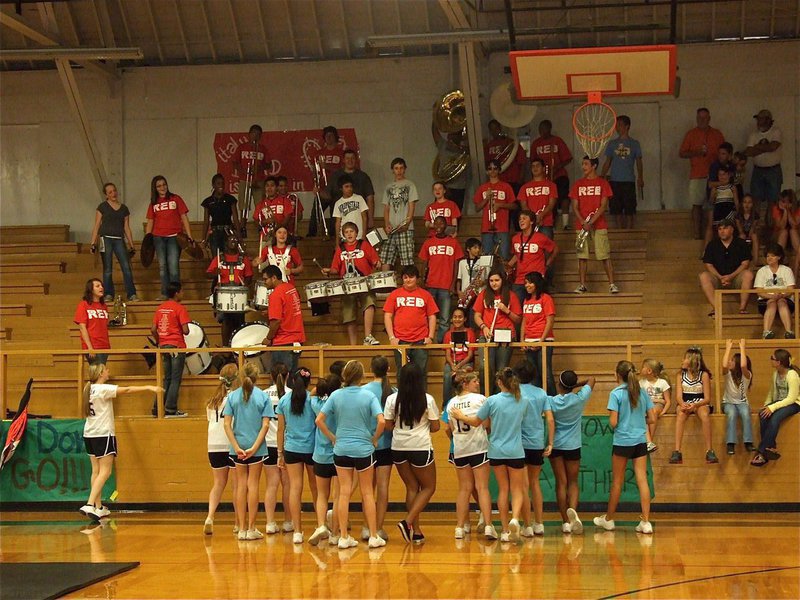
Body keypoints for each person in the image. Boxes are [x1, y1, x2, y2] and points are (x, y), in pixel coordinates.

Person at [316, 360, 387, 549]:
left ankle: (343, 536)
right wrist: (374, 438)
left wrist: (333, 437)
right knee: (367, 492)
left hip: (341, 449)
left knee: (344, 493)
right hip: (363, 449)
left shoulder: (336, 395)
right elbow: (381, 421)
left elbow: (319, 420)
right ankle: (373, 535)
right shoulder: (368, 395)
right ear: (362, 376)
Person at [452, 367, 527, 542]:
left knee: (503, 489)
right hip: (516, 449)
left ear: (500, 383)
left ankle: (505, 530)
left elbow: (476, 422)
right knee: (517, 489)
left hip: (496, 450)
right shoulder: (523, 401)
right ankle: (515, 518)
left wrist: (460, 416)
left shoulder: (492, 401)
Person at [79, 363, 161, 520]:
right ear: (101, 373)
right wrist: (149, 387)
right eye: (106, 369)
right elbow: (127, 390)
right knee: (106, 471)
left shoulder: (88, 389)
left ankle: (98, 507)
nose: (109, 371)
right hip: (103, 433)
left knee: (95, 471)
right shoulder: (102, 389)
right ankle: (90, 504)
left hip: (89, 433)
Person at [592, 361, 655, 534]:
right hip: (640, 441)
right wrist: (639, 422)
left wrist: (620, 422)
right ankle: (646, 521)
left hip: (622, 442)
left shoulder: (616, 394)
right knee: (642, 479)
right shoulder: (641, 393)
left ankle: (609, 519)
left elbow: (613, 422)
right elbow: (652, 418)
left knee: (617, 482)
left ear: (617, 375)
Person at [384, 362, 440, 544]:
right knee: (429, 487)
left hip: (398, 447)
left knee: (411, 487)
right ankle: (408, 522)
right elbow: (436, 427)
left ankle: (415, 532)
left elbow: (387, 425)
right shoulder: (427, 399)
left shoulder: (392, 399)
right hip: (420, 447)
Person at [223, 362, 274, 540]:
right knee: (253, 485)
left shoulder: (232, 397)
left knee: (240, 485)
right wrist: (255, 447)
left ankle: (241, 527)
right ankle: (251, 527)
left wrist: (236, 446)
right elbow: (266, 425)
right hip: (256, 447)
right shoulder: (263, 397)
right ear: (257, 376)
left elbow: (227, 424)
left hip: (237, 446)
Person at [445, 369, 493, 540]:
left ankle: (459, 527)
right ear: (465, 383)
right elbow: (487, 424)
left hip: (460, 448)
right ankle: (488, 525)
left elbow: (448, 428)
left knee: (464, 489)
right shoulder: (480, 399)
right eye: (475, 381)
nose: (478, 384)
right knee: (482, 488)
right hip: (478, 447)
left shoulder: (451, 404)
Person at [549, 370, 596, 534]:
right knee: (573, 482)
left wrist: (567, 386)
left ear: (559, 384)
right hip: (573, 445)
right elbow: (591, 378)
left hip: (555, 445)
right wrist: (574, 385)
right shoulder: (579, 399)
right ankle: (573, 514)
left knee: (561, 483)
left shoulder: (551, 401)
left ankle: (565, 522)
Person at [322, 222, 381, 345]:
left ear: (356, 232)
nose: (349, 234)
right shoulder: (340, 248)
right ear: (343, 234)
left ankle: (368, 337)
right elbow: (335, 269)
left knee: (369, 303)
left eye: (351, 231)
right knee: (349, 313)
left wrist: (377, 263)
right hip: (347, 286)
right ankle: (353, 344)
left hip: (364, 283)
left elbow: (375, 260)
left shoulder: (364, 245)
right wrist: (328, 270)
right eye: (346, 232)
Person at [276, 367, 318, 545]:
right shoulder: (312, 400)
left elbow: (280, 429)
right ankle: (320, 525)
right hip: (311, 448)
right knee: (317, 488)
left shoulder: (284, 401)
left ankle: (297, 531)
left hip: (291, 449)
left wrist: (280, 453)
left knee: (295, 488)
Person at [514, 361, 554, 536]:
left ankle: (527, 525)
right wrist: (550, 442)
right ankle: (539, 523)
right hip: (537, 442)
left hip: (518, 443)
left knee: (523, 485)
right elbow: (550, 419)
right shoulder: (541, 393)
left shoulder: (514, 393)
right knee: (535, 483)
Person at [570, 157, 618, 294]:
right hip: (581, 226)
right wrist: (583, 222)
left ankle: (612, 284)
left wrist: (590, 222)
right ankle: (582, 285)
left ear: (594, 166)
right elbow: (575, 206)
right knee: (582, 256)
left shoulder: (603, 183)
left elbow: (603, 206)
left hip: (599, 224)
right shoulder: (577, 184)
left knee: (604, 254)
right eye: (582, 163)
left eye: (586, 164)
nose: (583, 166)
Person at [361, 356, 396, 541]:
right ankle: (379, 527)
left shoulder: (363, 391)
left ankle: (368, 526)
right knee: (383, 488)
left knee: (368, 489)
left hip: (367, 444)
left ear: (371, 369)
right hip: (386, 445)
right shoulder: (393, 391)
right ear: (388, 369)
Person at [679, 108, 725, 240]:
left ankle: (711, 234)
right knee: (697, 205)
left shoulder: (717, 134)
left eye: (704, 118)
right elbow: (682, 153)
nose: (702, 120)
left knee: (713, 205)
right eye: (699, 118)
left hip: (715, 176)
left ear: (709, 119)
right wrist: (697, 152)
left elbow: (725, 152)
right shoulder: (691, 134)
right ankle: (697, 234)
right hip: (697, 174)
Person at [473, 269, 522, 393]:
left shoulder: (511, 295)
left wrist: (506, 310)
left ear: (502, 281)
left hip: (505, 335)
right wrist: (484, 327)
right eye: (491, 281)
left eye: (497, 280)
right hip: (487, 334)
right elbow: (477, 316)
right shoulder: (483, 294)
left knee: (501, 370)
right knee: (485, 367)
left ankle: (499, 397)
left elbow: (518, 319)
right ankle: (486, 396)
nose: (494, 283)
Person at [204, 363, 239, 535]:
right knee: (236, 485)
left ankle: (210, 517)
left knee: (218, 484)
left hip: (213, 445)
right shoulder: (236, 399)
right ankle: (238, 523)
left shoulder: (212, 401)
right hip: (231, 444)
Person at [383, 265, 438, 374]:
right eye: (405, 277)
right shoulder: (394, 295)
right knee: (402, 373)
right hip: (400, 340)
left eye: (411, 277)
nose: (408, 280)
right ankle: (402, 392)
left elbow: (432, 317)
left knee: (420, 373)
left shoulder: (426, 295)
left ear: (417, 279)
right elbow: (387, 316)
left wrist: (430, 336)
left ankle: (421, 392)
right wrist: (391, 337)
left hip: (421, 341)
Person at [145, 175, 193, 300]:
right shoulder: (153, 203)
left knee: (173, 266)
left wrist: (189, 235)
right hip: (158, 237)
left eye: (164, 184)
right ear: (155, 188)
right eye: (159, 186)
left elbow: (184, 217)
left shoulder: (175, 198)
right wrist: (147, 240)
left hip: (174, 236)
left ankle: (176, 294)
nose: (162, 187)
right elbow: (150, 221)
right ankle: (165, 294)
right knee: (162, 267)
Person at [308, 374, 342, 546]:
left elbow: (311, 394)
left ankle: (321, 525)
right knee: (337, 496)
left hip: (320, 455)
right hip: (337, 455)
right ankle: (335, 533)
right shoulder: (341, 405)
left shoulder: (317, 404)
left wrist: (321, 387)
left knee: (322, 494)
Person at [89, 182, 138, 302]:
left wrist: (131, 244)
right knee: (107, 268)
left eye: (114, 191)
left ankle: (131, 294)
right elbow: (96, 225)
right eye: (110, 192)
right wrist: (93, 243)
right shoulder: (102, 207)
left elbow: (126, 227)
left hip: (119, 239)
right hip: (105, 238)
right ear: (106, 195)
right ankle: (108, 294)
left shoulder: (124, 208)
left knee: (126, 267)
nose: (113, 193)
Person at [670, 346, 719, 464]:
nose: (682, 361)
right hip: (685, 402)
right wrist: (683, 404)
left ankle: (709, 450)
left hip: (700, 401)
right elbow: (678, 396)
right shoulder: (680, 375)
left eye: (685, 358)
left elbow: (707, 398)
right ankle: (677, 451)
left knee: (704, 415)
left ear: (692, 360)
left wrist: (695, 405)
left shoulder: (704, 375)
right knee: (680, 415)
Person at [751, 348, 800, 466]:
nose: (770, 360)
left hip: (794, 403)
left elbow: (791, 398)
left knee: (775, 418)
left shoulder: (792, 375)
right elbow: (772, 393)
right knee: (763, 414)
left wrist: (772, 408)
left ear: (779, 362)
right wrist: (767, 406)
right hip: (780, 402)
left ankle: (761, 451)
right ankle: (770, 448)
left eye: (772, 358)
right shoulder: (775, 374)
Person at [419, 216, 464, 342]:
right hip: (431, 284)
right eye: (436, 223)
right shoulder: (428, 242)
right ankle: (427, 339)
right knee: (429, 315)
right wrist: (423, 280)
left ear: (446, 226)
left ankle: (441, 342)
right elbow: (424, 263)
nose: (438, 225)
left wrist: (453, 284)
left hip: (446, 285)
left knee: (444, 318)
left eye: (441, 223)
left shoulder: (453, 242)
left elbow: (456, 265)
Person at [150, 282, 190, 418]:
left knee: (166, 378)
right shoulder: (180, 308)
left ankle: (157, 408)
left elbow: (153, 329)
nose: (183, 294)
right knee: (175, 379)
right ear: (177, 293)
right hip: (177, 346)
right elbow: (186, 331)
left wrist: (159, 341)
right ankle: (170, 409)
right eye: (182, 291)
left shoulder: (160, 308)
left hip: (163, 346)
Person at [699, 219, 754, 317]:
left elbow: (745, 263)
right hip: (718, 278)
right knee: (704, 276)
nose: (722, 231)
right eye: (720, 229)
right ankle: (716, 308)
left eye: (725, 228)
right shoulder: (712, 244)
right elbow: (708, 264)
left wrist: (731, 276)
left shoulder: (741, 243)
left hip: (736, 277)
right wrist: (720, 277)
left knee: (748, 274)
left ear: (732, 230)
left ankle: (742, 308)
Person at [206, 233, 253, 346]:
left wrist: (244, 286)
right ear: (226, 243)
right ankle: (226, 347)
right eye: (231, 240)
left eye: (235, 240)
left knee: (239, 321)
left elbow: (249, 276)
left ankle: (239, 347)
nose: (233, 241)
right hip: (223, 293)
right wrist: (214, 273)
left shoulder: (243, 259)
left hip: (239, 293)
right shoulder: (219, 258)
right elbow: (207, 274)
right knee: (226, 321)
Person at [263, 362, 292, 534]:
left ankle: (270, 523)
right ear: (288, 376)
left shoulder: (263, 394)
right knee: (287, 484)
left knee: (271, 485)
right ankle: (288, 521)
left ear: (270, 376)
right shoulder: (292, 394)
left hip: (268, 444)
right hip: (287, 445)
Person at [600, 115, 644, 230]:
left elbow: (639, 161)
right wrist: (601, 176)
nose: (617, 127)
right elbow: (607, 162)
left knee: (629, 208)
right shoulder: (612, 144)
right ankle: (620, 230)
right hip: (615, 180)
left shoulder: (634, 143)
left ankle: (629, 230)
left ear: (627, 126)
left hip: (628, 180)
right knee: (616, 208)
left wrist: (640, 177)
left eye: (619, 125)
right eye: (616, 125)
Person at [260, 265, 306, 373]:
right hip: (297, 340)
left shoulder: (275, 295)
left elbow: (276, 322)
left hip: (283, 343)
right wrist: (271, 311)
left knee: (280, 382)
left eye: (265, 279)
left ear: (274, 278)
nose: (264, 282)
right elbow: (289, 308)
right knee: (291, 380)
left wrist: (268, 338)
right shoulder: (291, 288)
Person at [507, 211, 558, 305]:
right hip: (519, 279)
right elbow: (517, 255)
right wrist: (508, 265)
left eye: (524, 218)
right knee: (517, 307)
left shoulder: (540, 237)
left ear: (531, 221)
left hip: (535, 279)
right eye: (519, 219)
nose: (521, 221)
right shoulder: (515, 238)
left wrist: (548, 263)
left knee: (536, 307)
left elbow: (555, 248)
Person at [530, 119, 573, 231]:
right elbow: (532, 161)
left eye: (544, 129)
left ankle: (565, 223)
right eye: (540, 130)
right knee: (548, 201)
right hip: (544, 179)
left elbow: (568, 158)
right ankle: (552, 224)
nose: (542, 132)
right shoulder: (536, 143)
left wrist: (557, 167)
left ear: (549, 129)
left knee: (564, 198)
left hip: (559, 176)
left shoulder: (557, 141)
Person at [379, 157, 419, 271]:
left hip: (405, 228)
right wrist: (387, 224)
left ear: (405, 169)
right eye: (396, 168)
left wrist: (407, 223)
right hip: (391, 228)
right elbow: (386, 208)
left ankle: (408, 283)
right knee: (386, 257)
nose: (399, 171)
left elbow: (411, 206)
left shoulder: (410, 185)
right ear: (393, 170)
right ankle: (385, 285)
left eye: (401, 168)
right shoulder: (388, 187)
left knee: (407, 258)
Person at [473, 159, 517, 259]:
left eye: (495, 168)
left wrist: (500, 205)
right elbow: (477, 208)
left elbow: (514, 206)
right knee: (486, 257)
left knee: (504, 256)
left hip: (502, 227)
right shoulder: (482, 188)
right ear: (487, 171)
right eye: (490, 169)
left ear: (499, 170)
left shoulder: (506, 186)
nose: (492, 171)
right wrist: (486, 199)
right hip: (486, 227)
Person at [521, 271, 556, 394]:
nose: (527, 285)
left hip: (544, 342)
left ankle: (552, 403)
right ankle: (537, 403)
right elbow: (524, 321)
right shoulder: (526, 300)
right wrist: (522, 341)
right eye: (525, 283)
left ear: (537, 283)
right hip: (529, 341)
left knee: (545, 374)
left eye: (530, 282)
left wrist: (541, 341)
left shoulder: (546, 298)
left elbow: (550, 321)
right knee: (532, 376)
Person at [325, 148, 376, 230]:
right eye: (347, 158)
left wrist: (370, 219)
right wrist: (318, 191)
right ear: (343, 160)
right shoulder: (335, 176)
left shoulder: (363, 177)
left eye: (352, 158)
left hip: (359, 220)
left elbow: (370, 198)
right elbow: (327, 195)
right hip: (340, 219)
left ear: (356, 160)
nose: (350, 160)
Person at [233, 124, 270, 235]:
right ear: (249, 134)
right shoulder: (242, 147)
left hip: (259, 180)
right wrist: (244, 172)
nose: (256, 136)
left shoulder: (263, 149)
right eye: (254, 133)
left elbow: (268, 164)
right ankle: (243, 227)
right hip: (245, 179)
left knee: (260, 204)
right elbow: (235, 162)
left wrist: (259, 168)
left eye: (258, 134)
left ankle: (260, 226)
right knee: (244, 205)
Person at [754, 242, 796, 339]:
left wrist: (782, 295)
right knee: (772, 302)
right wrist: (772, 296)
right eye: (768, 256)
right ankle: (766, 332)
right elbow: (759, 291)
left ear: (779, 257)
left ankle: (789, 332)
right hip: (765, 301)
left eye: (772, 256)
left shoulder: (786, 270)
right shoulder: (762, 271)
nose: (769, 258)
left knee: (781, 302)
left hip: (785, 299)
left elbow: (790, 290)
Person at [745, 109, 783, 210]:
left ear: (768, 120)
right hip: (758, 169)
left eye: (760, 119)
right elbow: (748, 152)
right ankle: (757, 223)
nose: (758, 122)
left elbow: (773, 147)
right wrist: (766, 147)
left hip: (773, 170)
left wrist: (757, 147)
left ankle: (771, 223)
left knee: (773, 200)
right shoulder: (753, 134)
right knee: (755, 199)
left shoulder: (776, 131)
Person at [721, 339, 754, 456]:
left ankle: (748, 442)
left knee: (745, 413)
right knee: (732, 413)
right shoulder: (727, 374)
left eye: (732, 361)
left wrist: (742, 348)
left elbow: (744, 365)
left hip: (742, 403)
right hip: (728, 402)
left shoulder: (746, 375)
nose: (729, 362)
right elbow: (724, 364)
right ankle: (730, 443)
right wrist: (728, 347)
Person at [442, 307, 476, 405]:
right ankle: (446, 406)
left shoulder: (470, 333)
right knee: (447, 375)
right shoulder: (448, 334)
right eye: (455, 317)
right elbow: (447, 354)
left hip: (465, 362)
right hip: (451, 362)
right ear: (452, 319)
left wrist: (459, 366)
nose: (457, 319)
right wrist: (453, 365)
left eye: (460, 317)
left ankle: (464, 404)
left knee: (463, 373)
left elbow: (470, 355)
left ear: (465, 319)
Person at [518, 157, 558, 239]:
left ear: (543, 168)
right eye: (533, 166)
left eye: (537, 166)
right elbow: (523, 205)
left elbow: (551, 205)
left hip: (546, 222)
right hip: (529, 223)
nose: (535, 168)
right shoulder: (524, 187)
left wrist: (541, 215)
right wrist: (533, 218)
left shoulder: (551, 185)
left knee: (547, 249)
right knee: (531, 249)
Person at [201, 173, 241, 256]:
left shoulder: (230, 199)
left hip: (228, 231)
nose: (221, 186)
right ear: (213, 185)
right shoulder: (208, 201)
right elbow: (206, 222)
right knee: (216, 258)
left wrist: (239, 236)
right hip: (215, 232)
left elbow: (235, 219)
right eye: (218, 183)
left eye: (223, 183)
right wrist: (203, 239)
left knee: (229, 256)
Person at [484, 119, 527, 194]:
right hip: (498, 181)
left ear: (500, 129)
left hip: (513, 180)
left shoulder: (510, 143)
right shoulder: (488, 146)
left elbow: (522, 161)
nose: (494, 131)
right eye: (492, 129)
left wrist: (521, 177)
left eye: (496, 128)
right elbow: (487, 163)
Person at [75, 278, 110, 366]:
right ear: (91, 289)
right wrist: (90, 347)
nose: (101, 288)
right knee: (98, 373)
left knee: (101, 371)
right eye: (97, 286)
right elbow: (82, 327)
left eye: (102, 286)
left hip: (104, 344)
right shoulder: (83, 305)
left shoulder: (104, 306)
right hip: (93, 344)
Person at [640, 358, 671, 454]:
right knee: (642, 415)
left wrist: (664, 411)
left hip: (658, 405)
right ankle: (649, 442)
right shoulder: (641, 383)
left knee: (653, 412)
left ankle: (650, 441)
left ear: (649, 371)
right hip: (646, 405)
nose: (641, 369)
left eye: (643, 367)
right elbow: (641, 398)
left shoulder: (662, 383)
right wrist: (655, 399)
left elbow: (667, 401)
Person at [455, 237, 488, 327]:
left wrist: (483, 283)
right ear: (468, 249)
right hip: (466, 293)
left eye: (478, 248)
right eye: (475, 248)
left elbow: (488, 278)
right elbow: (459, 278)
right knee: (465, 316)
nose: (477, 250)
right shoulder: (462, 262)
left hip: (479, 293)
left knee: (475, 315)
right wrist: (458, 291)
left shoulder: (483, 261)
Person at [253, 176, 294, 243]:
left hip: (282, 236)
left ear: (277, 187)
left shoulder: (285, 201)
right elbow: (256, 221)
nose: (269, 188)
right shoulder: (260, 204)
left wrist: (276, 230)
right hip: (266, 237)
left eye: (272, 185)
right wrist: (264, 222)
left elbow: (287, 220)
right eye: (267, 186)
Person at [706, 167, 739, 246]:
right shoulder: (715, 188)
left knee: (729, 231)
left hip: (729, 212)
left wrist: (738, 212)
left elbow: (736, 202)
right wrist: (712, 196)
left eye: (724, 174)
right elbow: (711, 202)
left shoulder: (732, 187)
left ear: (728, 175)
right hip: (718, 212)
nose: (722, 177)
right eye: (720, 175)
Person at [332, 175, 369, 240]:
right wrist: (337, 240)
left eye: (351, 186)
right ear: (341, 188)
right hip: (345, 237)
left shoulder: (359, 198)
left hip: (359, 236)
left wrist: (364, 235)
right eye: (346, 187)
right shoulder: (338, 203)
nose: (349, 189)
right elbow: (338, 222)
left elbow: (364, 217)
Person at [770, 189, 800, 260]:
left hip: (795, 236)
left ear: (791, 202)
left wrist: (788, 211)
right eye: (781, 201)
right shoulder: (776, 208)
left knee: (792, 231)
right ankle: (779, 260)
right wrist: (785, 211)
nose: (782, 203)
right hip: (779, 235)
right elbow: (781, 226)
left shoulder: (798, 209)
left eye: (784, 201)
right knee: (784, 231)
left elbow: (794, 226)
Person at [736, 193, 760, 265]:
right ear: (742, 204)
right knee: (741, 236)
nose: (747, 204)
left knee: (754, 236)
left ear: (752, 204)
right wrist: (743, 234)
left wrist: (749, 237)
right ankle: (740, 259)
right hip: (741, 233)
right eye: (745, 202)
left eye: (749, 202)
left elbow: (753, 227)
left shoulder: (755, 214)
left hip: (750, 233)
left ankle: (756, 260)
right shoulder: (738, 215)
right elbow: (739, 228)